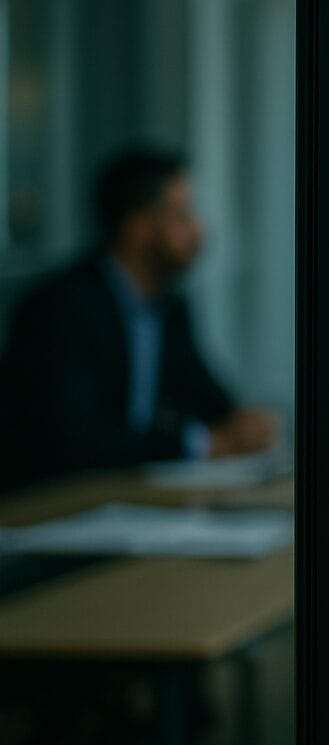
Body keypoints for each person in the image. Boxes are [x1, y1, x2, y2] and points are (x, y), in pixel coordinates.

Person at [0, 146, 276, 491]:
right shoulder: (60, 308)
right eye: (181, 215)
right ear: (139, 227)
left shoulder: (169, 308)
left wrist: (241, 423)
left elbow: (205, 394)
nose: (198, 229)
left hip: (132, 496)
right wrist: (202, 443)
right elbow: (77, 438)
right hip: (46, 504)